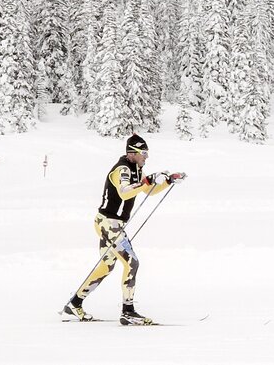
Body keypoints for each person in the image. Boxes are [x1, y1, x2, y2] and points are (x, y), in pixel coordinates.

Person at [61, 133, 184, 325]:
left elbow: (147, 191)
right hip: (109, 224)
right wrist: (148, 180)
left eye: (147, 153)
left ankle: (74, 304)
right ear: (132, 152)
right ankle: (128, 311)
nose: (146, 156)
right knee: (132, 263)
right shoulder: (123, 169)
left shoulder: (135, 168)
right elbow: (125, 193)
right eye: (143, 152)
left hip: (110, 224)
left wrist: (167, 182)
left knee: (106, 265)